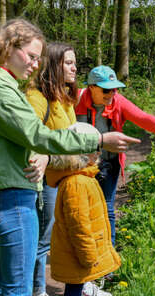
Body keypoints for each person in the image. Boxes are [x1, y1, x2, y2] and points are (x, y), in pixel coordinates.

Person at [0, 19, 139, 296]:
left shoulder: (1, 85)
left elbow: (26, 137)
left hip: (8, 196)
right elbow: (38, 135)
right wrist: (98, 139)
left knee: (2, 286)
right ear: (8, 48)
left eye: (39, 58)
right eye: (31, 56)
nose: (36, 64)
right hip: (12, 200)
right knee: (17, 290)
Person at [75, 65, 155, 249]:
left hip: (109, 163)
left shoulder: (118, 102)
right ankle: (83, 251)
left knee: (107, 208)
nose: (111, 94)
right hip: (81, 165)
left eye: (114, 89)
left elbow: (146, 120)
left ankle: (107, 256)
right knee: (81, 208)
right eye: (106, 90)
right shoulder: (74, 99)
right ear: (91, 88)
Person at [25, 42, 80, 296]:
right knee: (43, 239)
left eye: (75, 63)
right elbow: (30, 138)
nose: (74, 68)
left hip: (69, 178)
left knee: (71, 236)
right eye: (68, 62)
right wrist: (46, 156)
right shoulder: (36, 98)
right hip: (47, 181)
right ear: (54, 64)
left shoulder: (67, 98)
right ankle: (37, 289)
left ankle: (78, 286)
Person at [47, 122, 120, 296]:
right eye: (95, 148)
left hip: (77, 254)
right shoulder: (77, 183)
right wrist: (88, 254)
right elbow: (78, 224)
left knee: (76, 288)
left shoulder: (84, 176)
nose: (99, 153)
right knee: (74, 289)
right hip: (77, 254)